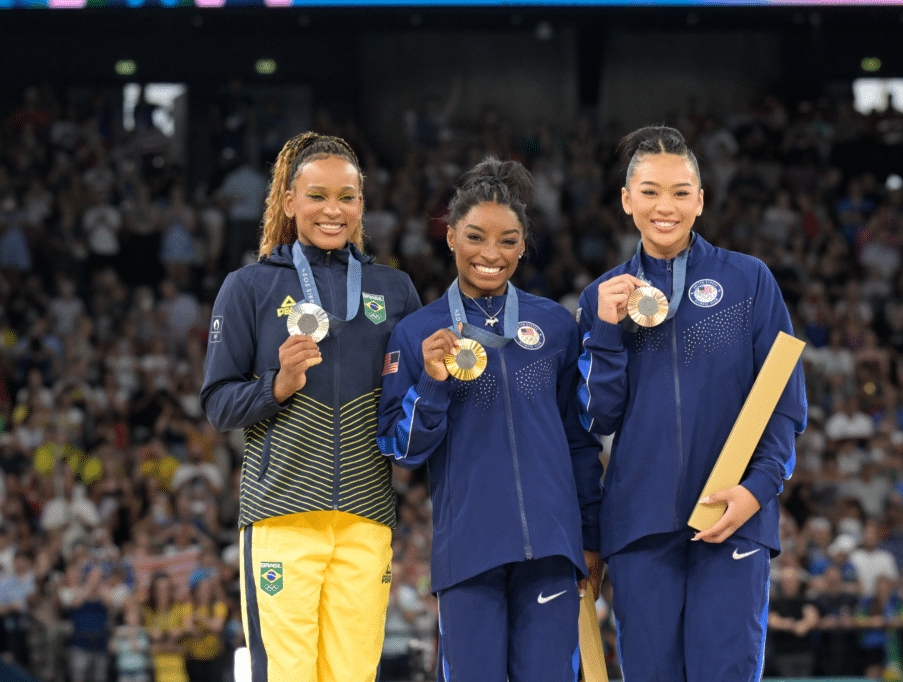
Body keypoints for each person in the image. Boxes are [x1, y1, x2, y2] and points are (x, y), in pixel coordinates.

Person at [576, 125, 807, 682]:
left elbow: (782, 399)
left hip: (733, 517)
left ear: (701, 201)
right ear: (628, 200)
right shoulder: (603, 296)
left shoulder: (749, 280)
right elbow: (598, 417)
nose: (666, 206)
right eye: (650, 191)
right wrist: (605, 333)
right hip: (640, 526)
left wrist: (758, 490)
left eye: (681, 192)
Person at [200, 132, 421, 682]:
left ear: (362, 204)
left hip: (366, 519)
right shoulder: (247, 287)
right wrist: (277, 385)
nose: (333, 210)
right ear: (289, 201)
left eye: (347, 196)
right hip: (280, 516)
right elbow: (218, 404)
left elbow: (412, 404)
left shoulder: (394, 289)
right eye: (317, 195)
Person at [376, 157, 603, 682]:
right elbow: (403, 450)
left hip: (551, 546)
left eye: (508, 241)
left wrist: (589, 536)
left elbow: (580, 440)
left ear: (524, 245)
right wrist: (433, 382)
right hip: (469, 551)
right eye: (476, 237)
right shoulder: (418, 333)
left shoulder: (554, 325)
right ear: (451, 235)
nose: (491, 255)